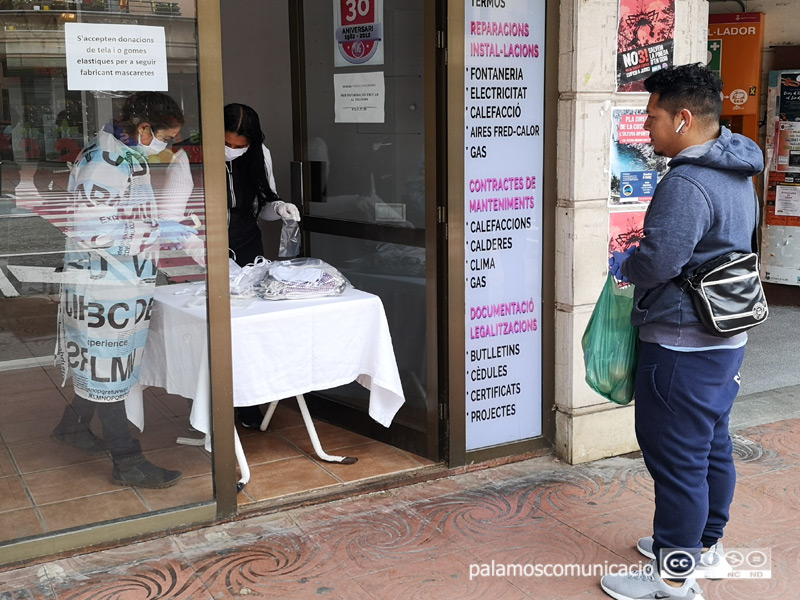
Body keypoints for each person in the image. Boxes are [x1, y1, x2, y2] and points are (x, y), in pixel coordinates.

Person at [602, 63, 764, 600]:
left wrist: (626, 265)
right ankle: (703, 546)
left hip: (680, 341)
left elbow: (659, 263)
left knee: (677, 460)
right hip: (725, 336)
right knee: (711, 444)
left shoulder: (688, 181)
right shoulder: (738, 168)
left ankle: (673, 578)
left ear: (684, 117)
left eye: (653, 118)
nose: (647, 129)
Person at [51, 92, 199, 489]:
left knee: (105, 364)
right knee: (107, 365)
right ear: (144, 128)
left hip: (118, 281)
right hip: (105, 286)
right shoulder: (105, 163)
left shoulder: (122, 154)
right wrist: (158, 231)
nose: (167, 146)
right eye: (167, 137)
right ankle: (127, 459)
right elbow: (91, 229)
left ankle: (73, 426)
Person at [224, 103, 300, 428]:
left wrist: (281, 208)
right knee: (215, 327)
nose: (233, 151)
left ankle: (248, 403)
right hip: (207, 245)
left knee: (248, 325)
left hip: (245, 244)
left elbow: (263, 206)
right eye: (227, 144)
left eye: (240, 146)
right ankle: (215, 405)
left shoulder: (259, 154)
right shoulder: (193, 154)